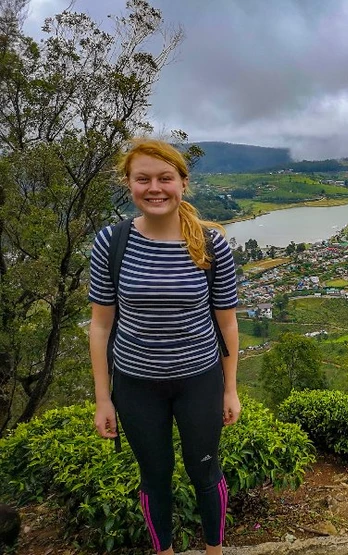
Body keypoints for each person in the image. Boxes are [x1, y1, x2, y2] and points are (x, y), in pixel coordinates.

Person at [88, 139, 241, 555]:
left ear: (183, 184)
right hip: (136, 384)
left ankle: (214, 550)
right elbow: (100, 327)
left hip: (199, 379)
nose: (154, 188)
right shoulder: (111, 242)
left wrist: (230, 389)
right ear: (129, 184)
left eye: (165, 178)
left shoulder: (211, 244)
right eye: (143, 179)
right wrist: (103, 399)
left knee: (205, 472)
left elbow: (227, 323)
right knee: (154, 477)